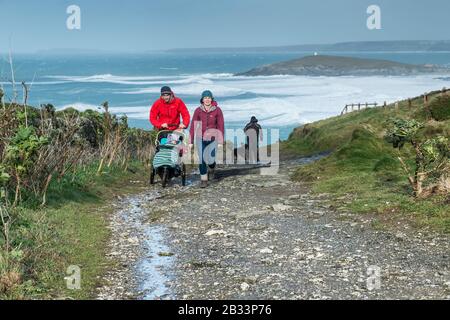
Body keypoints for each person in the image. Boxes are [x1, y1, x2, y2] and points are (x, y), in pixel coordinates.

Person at [189, 90, 225, 188]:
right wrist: (190, 141)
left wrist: (221, 141)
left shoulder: (217, 110)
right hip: (200, 138)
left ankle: (212, 168)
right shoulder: (198, 110)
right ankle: (204, 180)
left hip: (213, 138)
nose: (207, 100)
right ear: (202, 99)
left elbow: (221, 125)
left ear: (211, 99)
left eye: (209, 98)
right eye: (205, 98)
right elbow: (193, 125)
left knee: (210, 159)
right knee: (202, 159)